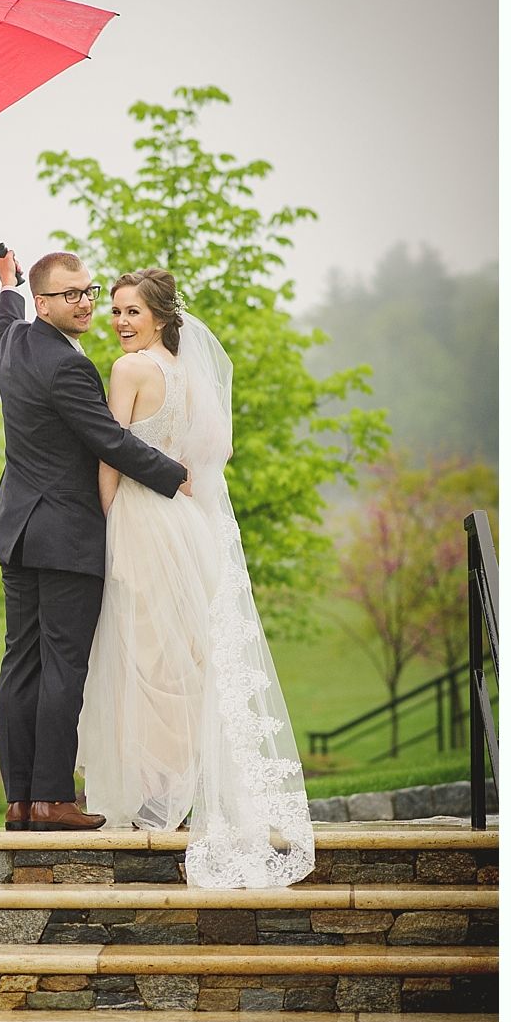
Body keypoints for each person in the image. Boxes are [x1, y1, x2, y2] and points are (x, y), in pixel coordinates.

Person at [76, 269, 315, 888]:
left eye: (132, 312)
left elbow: (110, 453)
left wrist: (101, 521)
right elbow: (207, 457)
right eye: (117, 312)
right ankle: (173, 792)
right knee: (181, 657)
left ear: (158, 315)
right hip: (185, 523)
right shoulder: (187, 371)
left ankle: (148, 796)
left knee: (144, 656)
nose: (122, 323)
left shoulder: (129, 371)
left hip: (139, 518)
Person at [0, 250, 188, 832]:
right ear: (45, 303)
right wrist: (173, 476)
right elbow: (109, 441)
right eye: (71, 294)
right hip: (66, 533)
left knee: (20, 662)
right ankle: (51, 798)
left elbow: (2, 325)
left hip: (17, 530)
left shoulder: (17, 344)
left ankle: (19, 801)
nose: (87, 302)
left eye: (89, 290)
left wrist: (6, 287)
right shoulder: (69, 367)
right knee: (62, 663)